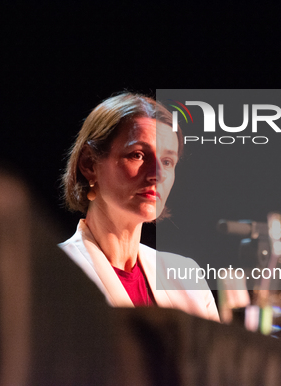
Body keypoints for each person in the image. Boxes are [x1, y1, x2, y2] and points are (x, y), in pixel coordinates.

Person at [59, 92, 220, 322]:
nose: (158, 174)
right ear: (89, 164)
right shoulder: (54, 274)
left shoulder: (188, 278)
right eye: (138, 155)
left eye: (167, 161)